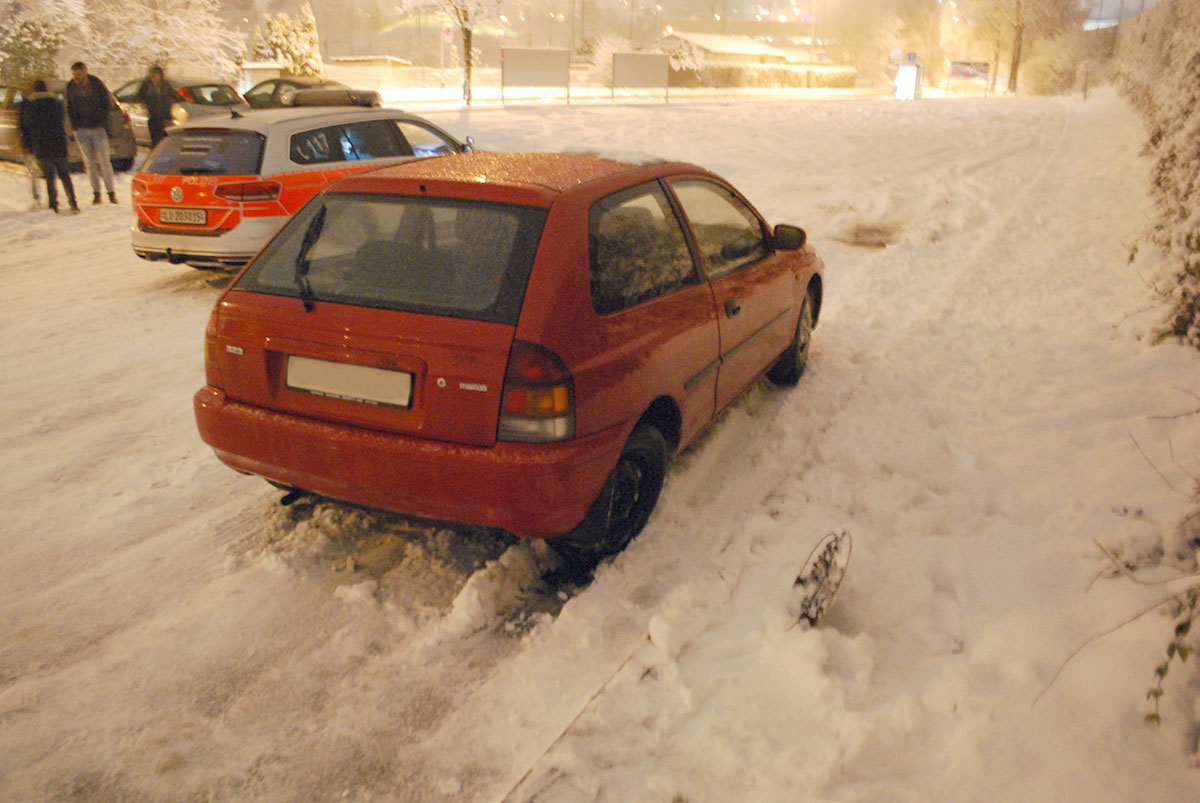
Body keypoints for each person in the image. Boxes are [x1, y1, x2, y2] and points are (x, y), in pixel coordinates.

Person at [18, 79, 80, 214]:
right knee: (64, 174)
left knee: (49, 175)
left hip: (41, 144)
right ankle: (73, 202)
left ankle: (53, 204)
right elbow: (62, 120)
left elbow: (25, 127)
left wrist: (27, 145)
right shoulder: (56, 103)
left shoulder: (29, 106)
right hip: (58, 143)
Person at [65, 61, 117, 205]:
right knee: (89, 163)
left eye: (78, 73)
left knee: (104, 161)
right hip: (81, 129)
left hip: (97, 128)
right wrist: (74, 125)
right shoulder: (70, 86)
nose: (76, 76)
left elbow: (106, 103)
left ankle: (111, 192)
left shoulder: (96, 84)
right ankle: (96, 193)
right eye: (74, 73)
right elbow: (69, 106)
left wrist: (102, 122)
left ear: (85, 71)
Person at [134, 65, 175, 147]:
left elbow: (172, 96)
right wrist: (146, 105)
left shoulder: (165, 85)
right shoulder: (147, 85)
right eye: (154, 74)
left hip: (165, 116)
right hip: (153, 116)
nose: (155, 76)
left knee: (164, 138)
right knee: (155, 138)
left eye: (157, 74)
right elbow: (139, 96)